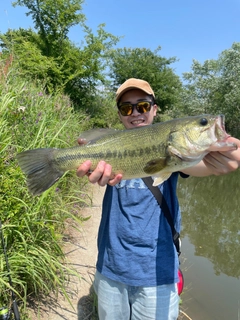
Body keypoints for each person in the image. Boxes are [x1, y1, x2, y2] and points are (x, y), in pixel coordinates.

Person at [76, 78, 240, 320]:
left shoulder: (179, 158)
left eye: (142, 106)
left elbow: (207, 166)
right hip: (111, 265)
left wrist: (229, 157)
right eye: (126, 108)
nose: (135, 114)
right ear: (120, 115)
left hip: (157, 271)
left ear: (154, 109)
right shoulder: (111, 144)